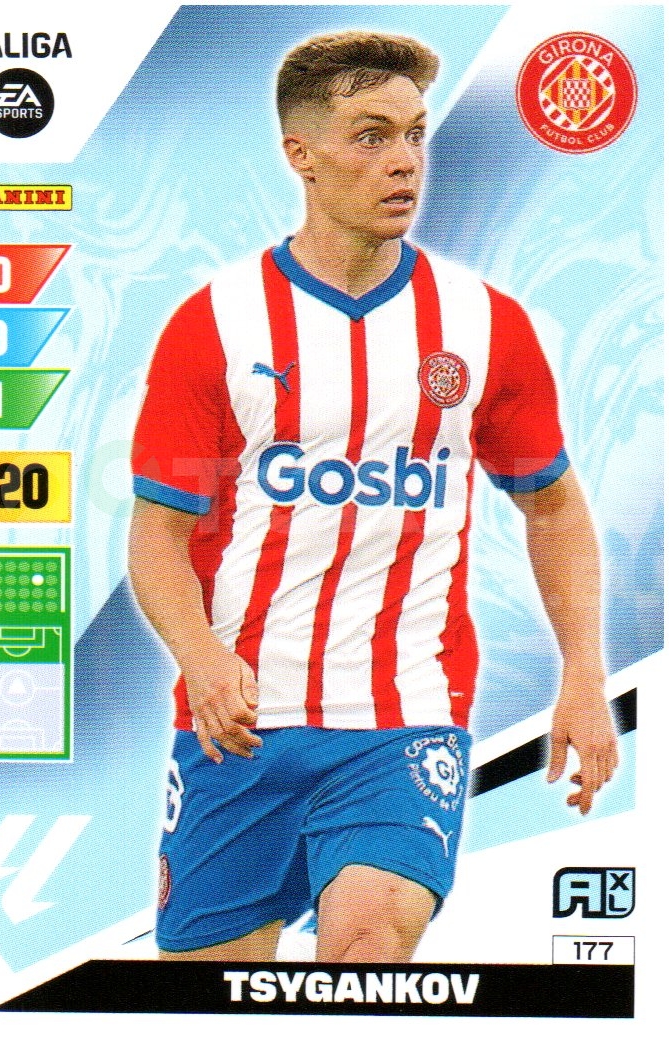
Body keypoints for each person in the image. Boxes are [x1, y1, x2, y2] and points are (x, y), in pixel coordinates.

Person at [128, 30, 618, 964]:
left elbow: (553, 508)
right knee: (205, 1002)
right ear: (300, 155)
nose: (403, 160)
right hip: (238, 725)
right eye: (370, 135)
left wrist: (584, 678)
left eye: (414, 134)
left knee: (367, 940)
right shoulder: (216, 325)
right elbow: (157, 535)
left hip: (404, 719)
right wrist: (199, 656)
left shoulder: (482, 326)